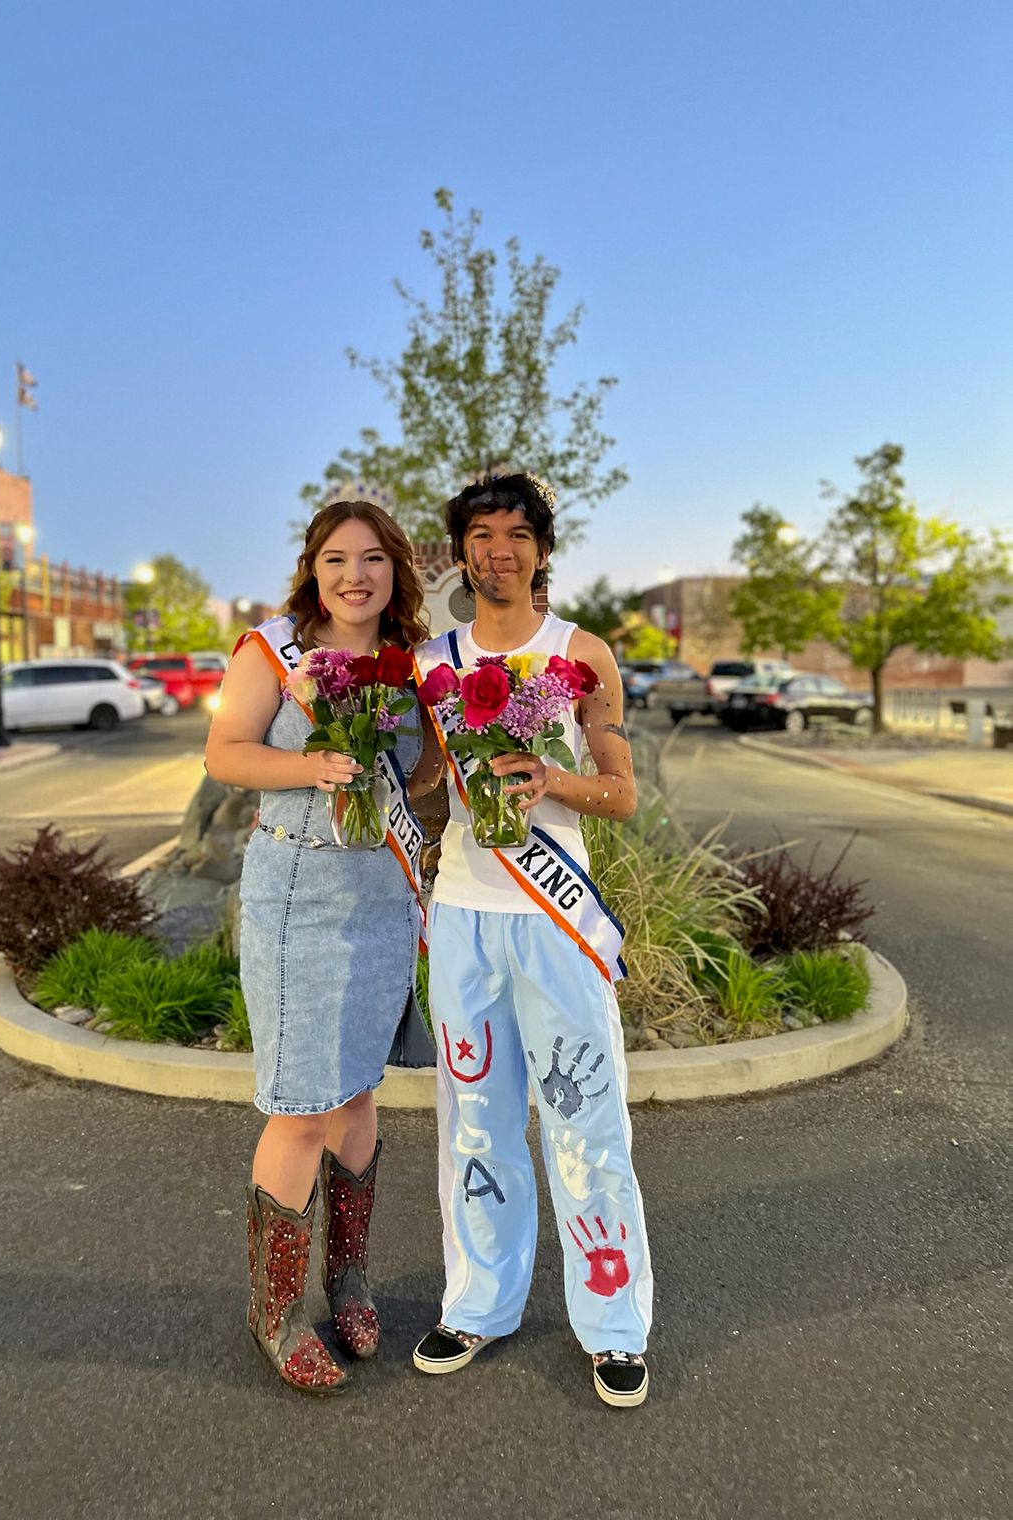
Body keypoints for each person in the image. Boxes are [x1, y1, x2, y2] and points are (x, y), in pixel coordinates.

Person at [411, 473, 653, 1408]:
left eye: (518, 534)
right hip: (465, 914)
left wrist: (550, 780)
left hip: (556, 922)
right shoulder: (433, 661)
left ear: (542, 550)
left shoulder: (581, 653)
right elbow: (424, 782)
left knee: (586, 1123)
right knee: (475, 1123)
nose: (499, 550)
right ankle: (478, 1303)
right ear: (462, 553)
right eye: (482, 534)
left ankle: (613, 1323)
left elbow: (621, 793)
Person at [205, 501, 435, 1396]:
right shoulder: (273, 651)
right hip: (297, 893)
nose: (354, 575)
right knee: (302, 1105)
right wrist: (312, 766)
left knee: (358, 1092)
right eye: (336, 558)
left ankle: (348, 1280)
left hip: (381, 895)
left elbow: (422, 773)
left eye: (372, 558)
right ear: (312, 568)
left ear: (394, 570)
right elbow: (226, 753)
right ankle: (276, 1309)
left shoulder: (411, 661)